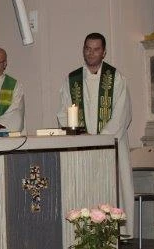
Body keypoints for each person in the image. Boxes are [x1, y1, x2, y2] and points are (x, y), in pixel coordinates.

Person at [57, 33, 134, 238]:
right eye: (87, 49)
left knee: (114, 186)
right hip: (81, 145)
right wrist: (81, 135)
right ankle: (84, 233)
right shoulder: (72, 79)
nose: (91, 53)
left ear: (104, 52)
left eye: (96, 49)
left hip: (111, 144)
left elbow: (122, 113)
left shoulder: (116, 78)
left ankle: (115, 234)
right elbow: (64, 112)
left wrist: (101, 139)